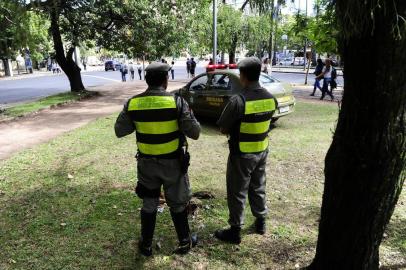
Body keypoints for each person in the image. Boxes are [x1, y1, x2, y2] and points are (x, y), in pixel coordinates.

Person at [114, 62, 201, 256]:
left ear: (147, 80)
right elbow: (195, 132)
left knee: (149, 202)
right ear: (165, 80)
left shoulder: (133, 103)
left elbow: (120, 130)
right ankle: (185, 242)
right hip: (173, 164)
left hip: (146, 165)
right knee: (177, 203)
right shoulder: (177, 102)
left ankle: (145, 245)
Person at [215, 57, 277, 244]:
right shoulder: (270, 98)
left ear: (242, 76)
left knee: (237, 191)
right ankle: (261, 222)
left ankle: (235, 231)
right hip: (262, 150)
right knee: (258, 186)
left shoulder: (238, 100)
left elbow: (223, 128)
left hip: (241, 154)